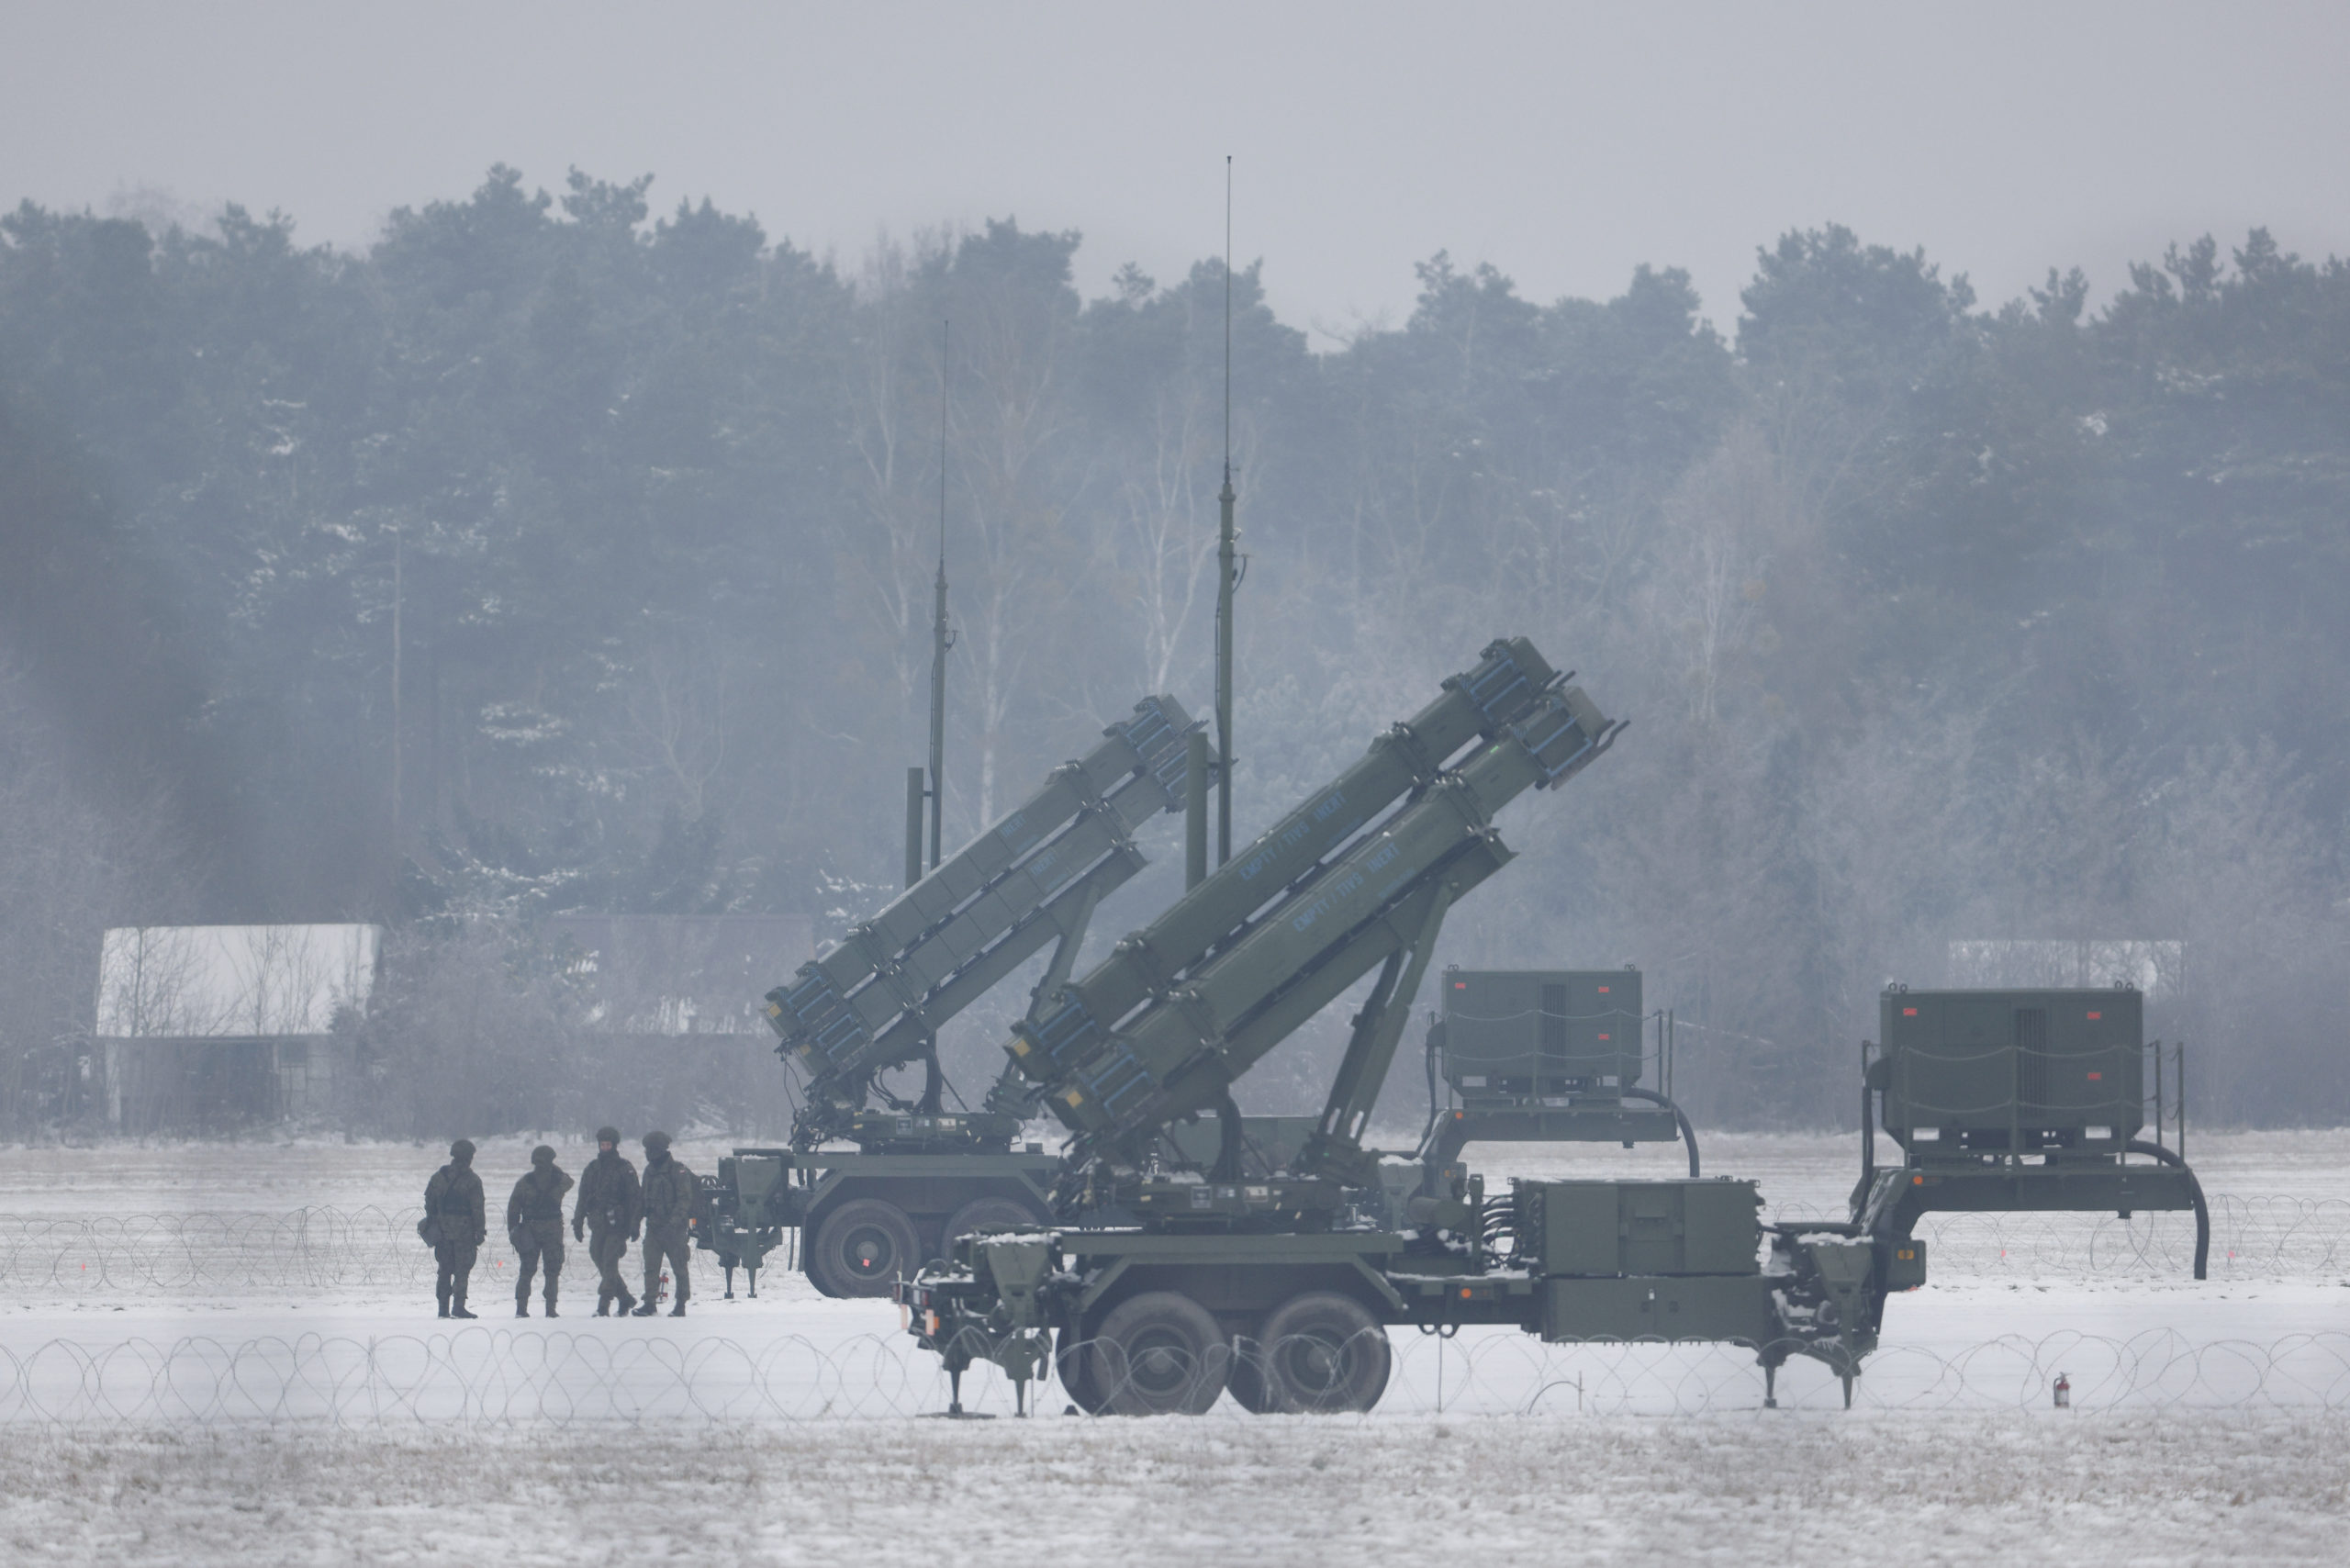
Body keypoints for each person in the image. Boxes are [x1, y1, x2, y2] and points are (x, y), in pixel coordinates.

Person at [574, 1126, 642, 1316]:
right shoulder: (592, 1169)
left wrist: (634, 1224)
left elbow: (635, 1198)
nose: (605, 1147)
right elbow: (582, 1196)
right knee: (598, 1258)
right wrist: (577, 1222)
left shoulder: (624, 1168)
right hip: (597, 1223)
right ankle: (625, 1298)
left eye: (608, 1144)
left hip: (618, 1225)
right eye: (602, 1144)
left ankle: (604, 1305)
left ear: (614, 1145)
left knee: (610, 1262)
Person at [632, 1130, 697, 1317]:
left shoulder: (678, 1170)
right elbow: (642, 1199)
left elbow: (684, 1200)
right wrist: (635, 1222)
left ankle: (681, 1303)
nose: (648, 1153)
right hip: (654, 1227)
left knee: (679, 1267)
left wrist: (673, 1223)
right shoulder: (649, 1171)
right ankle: (650, 1303)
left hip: (674, 1230)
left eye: (651, 1150)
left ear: (660, 1150)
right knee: (651, 1266)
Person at [506, 1144, 574, 1317]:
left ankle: (521, 1309)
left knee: (526, 1270)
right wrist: (554, 1168)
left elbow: (513, 1209)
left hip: (530, 1228)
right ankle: (550, 1309)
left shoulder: (525, 1182)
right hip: (552, 1229)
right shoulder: (559, 1180)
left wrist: (513, 1231)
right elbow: (570, 1181)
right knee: (552, 1270)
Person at [423, 1138, 487, 1318]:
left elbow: (429, 1204)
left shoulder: (439, 1177)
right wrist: (480, 1231)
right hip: (464, 1232)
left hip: (443, 1231)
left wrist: (438, 1220)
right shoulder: (472, 1180)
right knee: (462, 1270)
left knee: (444, 1270)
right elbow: (477, 1209)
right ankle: (458, 1306)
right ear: (469, 1158)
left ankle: (443, 1309)